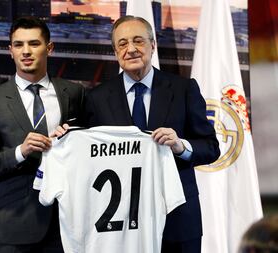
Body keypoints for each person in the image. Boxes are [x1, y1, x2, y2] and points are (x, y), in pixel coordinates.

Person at [56, 15, 220, 253]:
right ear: (115, 51)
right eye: (122, 43)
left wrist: (180, 146)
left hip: (178, 220)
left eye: (138, 41)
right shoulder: (97, 98)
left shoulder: (184, 89)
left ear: (152, 45)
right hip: (121, 227)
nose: (130, 49)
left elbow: (211, 147)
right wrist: (67, 136)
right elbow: (85, 153)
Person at [0, 16, 84, 252]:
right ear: (10, 51)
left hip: (68, 225)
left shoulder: (74, 93)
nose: (26, 51)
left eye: (34, 43)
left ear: (49, 48)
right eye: (18, 45)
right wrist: (20, 152)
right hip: (17, 228)